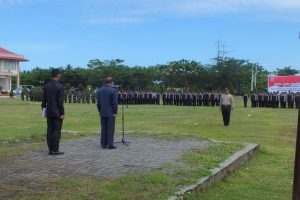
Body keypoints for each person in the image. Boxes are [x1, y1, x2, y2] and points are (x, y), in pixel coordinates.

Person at [41, 68, 65, 155]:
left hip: (49, 111)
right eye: (60, 74)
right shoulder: (60, 86)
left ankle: (50, 149)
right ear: (58, 75)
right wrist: (62, 112)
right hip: (57, 112)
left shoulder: (46, 86)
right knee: (56, 131)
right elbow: (60, 101)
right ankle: (55, 149)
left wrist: (43, 111)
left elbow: (43, 101)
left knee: (49, 130)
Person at [96, 77, 118, 149]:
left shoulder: (99, 90)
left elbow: (98, 103)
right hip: (111, 112)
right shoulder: (113, 90)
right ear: (111, 82)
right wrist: (115, 112)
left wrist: (100, 110)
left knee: (103, 128)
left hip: (102, 112)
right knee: (110, 129)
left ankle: (103, 144)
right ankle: (110, 144)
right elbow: (115, 103)